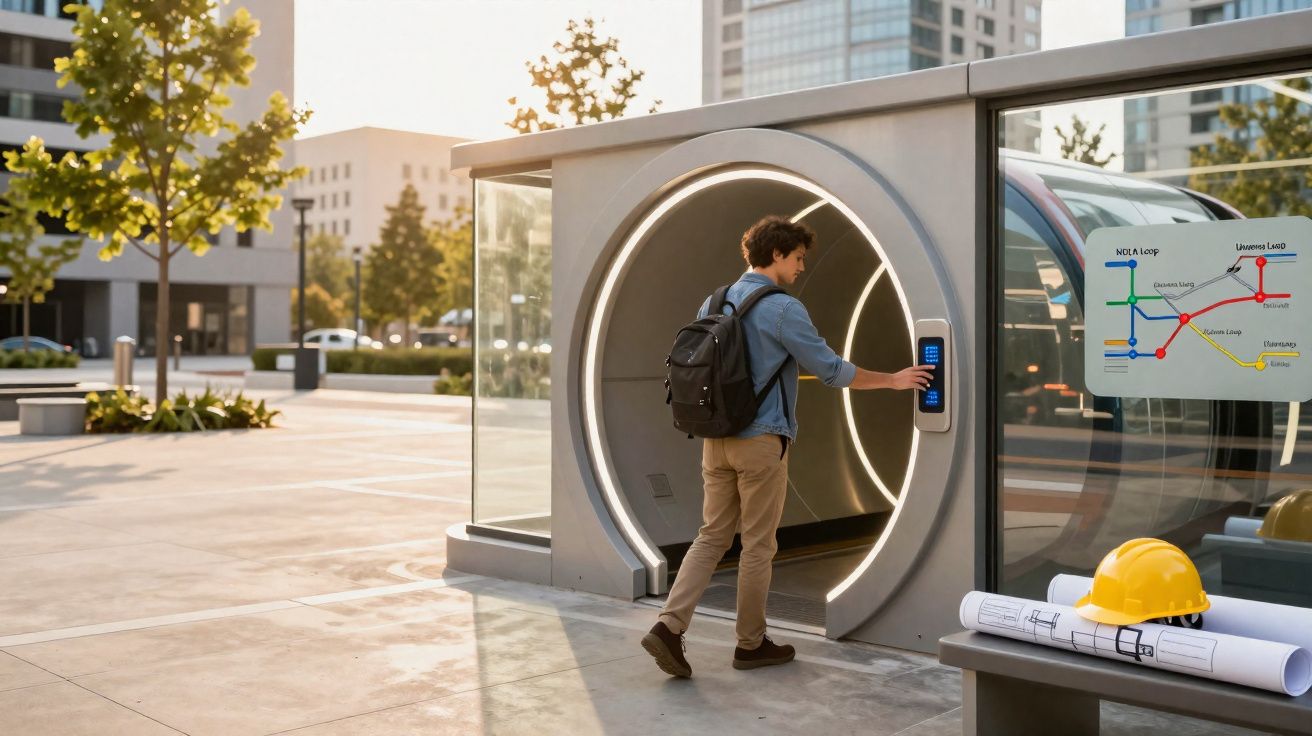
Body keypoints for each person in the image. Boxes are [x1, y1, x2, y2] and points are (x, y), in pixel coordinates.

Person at [641, 215, 934, 678]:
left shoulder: (712, 300)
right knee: (758, 545)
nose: (800, 268)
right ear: (776, 254)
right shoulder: (783, 308)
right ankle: (750, 645)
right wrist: (894, 380)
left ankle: (668, 625)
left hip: (715, 440)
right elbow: (833, 370)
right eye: (797, 258)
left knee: (711, 536)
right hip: (760, 441)